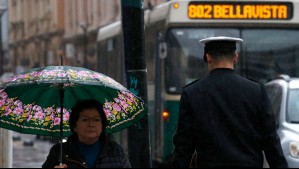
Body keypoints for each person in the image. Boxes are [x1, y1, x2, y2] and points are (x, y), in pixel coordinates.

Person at [171, 36, 288, 168]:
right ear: (235, 57)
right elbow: (271, 143)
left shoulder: (192, 93)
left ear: (208, 57)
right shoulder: (256, 91)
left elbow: (183, 148)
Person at [42, 99, 131, 168]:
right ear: (74, 126)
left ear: (102, 125)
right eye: (85, 120)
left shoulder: (115, 151)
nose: (91, 124)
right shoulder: (59, 152)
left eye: (96, 120)